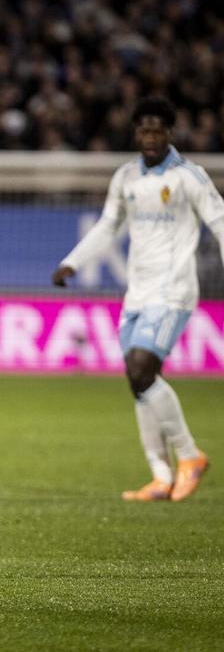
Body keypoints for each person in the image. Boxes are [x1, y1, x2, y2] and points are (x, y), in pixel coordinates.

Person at [53, 96, 224, 502]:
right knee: (138, 382)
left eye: (157, 130)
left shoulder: (189, 177)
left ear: (170, 133)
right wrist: (72, 262)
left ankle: (189, 456)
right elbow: (108, 226)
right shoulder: (126, 177)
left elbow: (219, 220)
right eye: (143, 130)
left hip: (173, 291)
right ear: (135, 133)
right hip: (138, 293)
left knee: (141, 368)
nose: (150, 137)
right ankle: (161, 476)